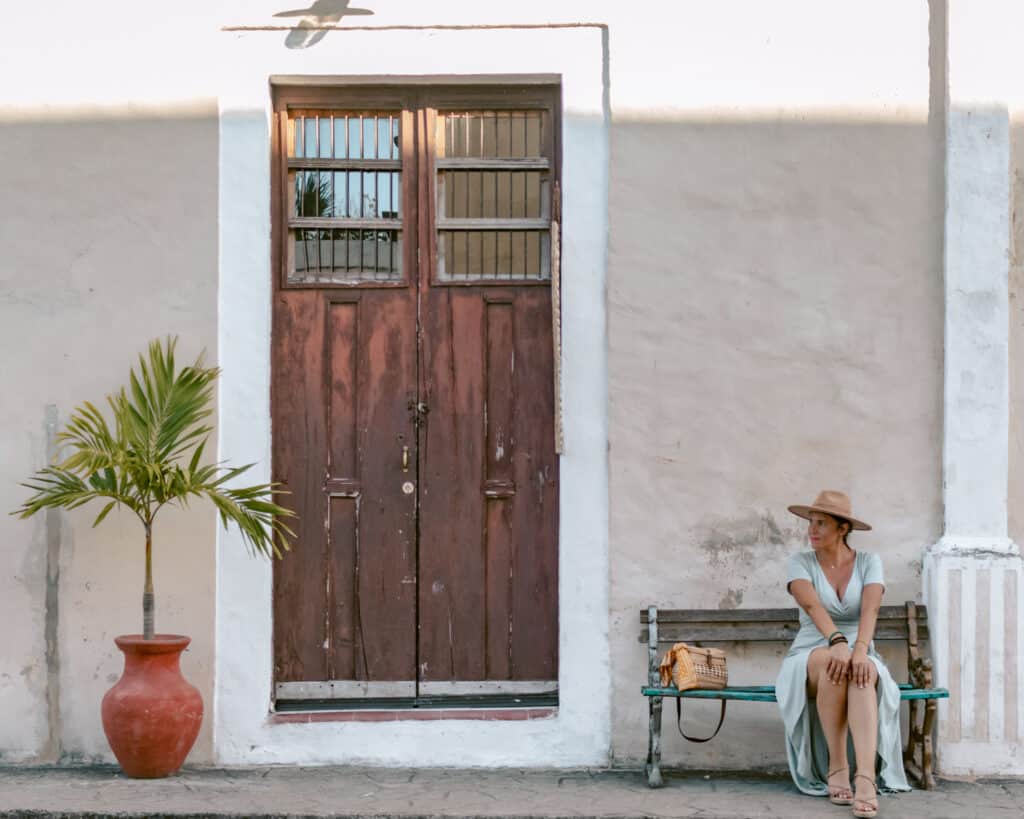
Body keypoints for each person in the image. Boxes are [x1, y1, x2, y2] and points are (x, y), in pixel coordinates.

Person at [775, 490, 910, 818]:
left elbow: (871, 609)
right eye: (811, 523)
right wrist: (836, 642)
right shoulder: (800, 562)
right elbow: (811, 605)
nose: (813, 530)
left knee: (862, 673)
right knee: (831, 662)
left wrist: (859, 650)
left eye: (821, 523)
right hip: (811, 651)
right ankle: (837, 765)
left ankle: (865, 777)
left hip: (860, 648)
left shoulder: (868, 562)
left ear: (842, 529)